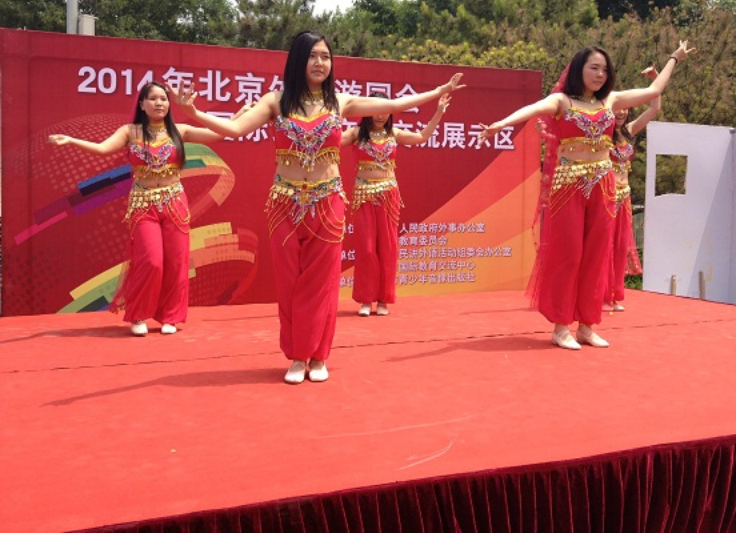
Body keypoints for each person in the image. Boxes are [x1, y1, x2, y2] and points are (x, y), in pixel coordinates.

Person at [174, 30, 464, 384]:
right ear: (299, 60)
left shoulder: (339, 102)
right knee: (290, 281)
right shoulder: (276, 102)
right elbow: (234, 129)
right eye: (313, 55)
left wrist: (438, 91)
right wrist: (194, 112)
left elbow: (392, 105)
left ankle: (318, 355)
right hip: (285, 203)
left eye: (326, 56)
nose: (320, 62)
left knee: (322, 282)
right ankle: (298, 356)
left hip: (327, 202)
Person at [479, 41, 694, 350]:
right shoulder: (562, 101)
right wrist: (501, 124)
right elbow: (532, 109)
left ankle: (587, 326)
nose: (600, 74)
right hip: (568, 185)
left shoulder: (611, 100)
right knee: (568, 253)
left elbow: (653, 91)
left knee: (597, 254)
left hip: (604, 185)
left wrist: (675, 58)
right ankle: (561, 327)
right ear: (579, 69)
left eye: (604, 69)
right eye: (594, 67)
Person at [48, 81, 228, 336]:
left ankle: (171, 317)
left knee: (177, 262)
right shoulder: (130, 132)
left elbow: (219, 134)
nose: (159, 103)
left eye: (163, 99)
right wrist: (71, 140)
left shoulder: (180, 131)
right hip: (143, 204)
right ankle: (139, 314)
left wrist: (235, 118)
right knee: (150, 261)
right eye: (153, 98)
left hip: (174, 202)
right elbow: (102, 149)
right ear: (142, 104)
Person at [342, 92, 452, 317]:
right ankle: (366, 299)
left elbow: (422, 137)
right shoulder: (355, 134)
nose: (380, 115)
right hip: (364, 196)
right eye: (375, 109)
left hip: (388, 196)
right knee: (366, 249)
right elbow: (331, 141)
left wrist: (438, 112)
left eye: (385, 110)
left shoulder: (394, 133)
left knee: (388, 248)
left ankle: (383, 300)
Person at [604, 66, 661, 312]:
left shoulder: (629, 131)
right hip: (605, 196)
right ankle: (597, 295)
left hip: (624, 196)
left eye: (625, 108)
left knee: (619, 247)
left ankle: (614, 295)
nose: (622, 112)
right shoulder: (599, 133)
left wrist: (655, 80)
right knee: (603, 246)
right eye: (617, 108)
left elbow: (654, 109)